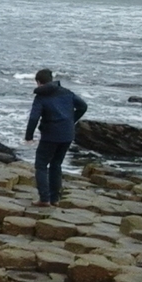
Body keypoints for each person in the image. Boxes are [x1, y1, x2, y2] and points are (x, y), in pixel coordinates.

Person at [24, 68, 88, 207]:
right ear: (51, 79)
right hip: (67, 135)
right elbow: (83, 106)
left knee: (41, 165)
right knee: (56, 164)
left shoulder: (41, 97)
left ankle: (44, 199)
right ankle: (55, 199)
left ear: (38, 82)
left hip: (50, 135)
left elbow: (34, 117)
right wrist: (71, 120)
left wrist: (29, 136)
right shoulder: (67, 92)